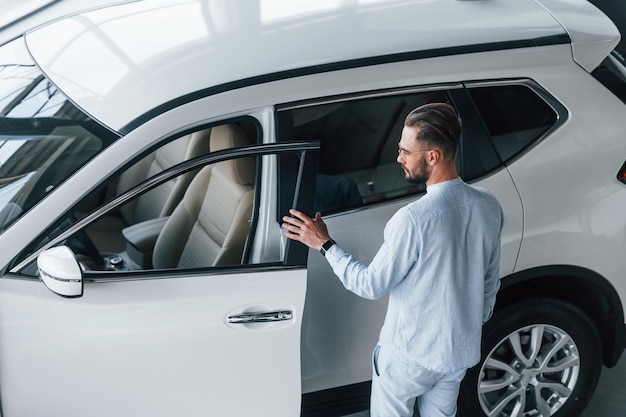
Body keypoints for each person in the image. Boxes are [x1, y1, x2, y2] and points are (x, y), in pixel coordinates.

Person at [282, 102, 503, 417]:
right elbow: (489, 282)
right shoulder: (488, 204)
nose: (398, 158)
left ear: (433, 156)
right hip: (457, 355)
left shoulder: (413, 219)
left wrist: (324, 243)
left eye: (405, 152)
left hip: (408, 360)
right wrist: (465, 325)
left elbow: (370, 285)